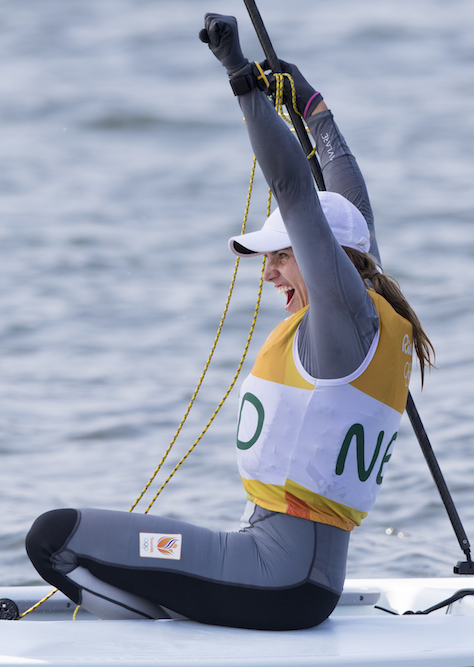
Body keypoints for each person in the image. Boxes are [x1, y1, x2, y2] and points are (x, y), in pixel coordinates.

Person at [25, 13, 433, 631]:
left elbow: (298, 190)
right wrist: (313, 108)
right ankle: (173, 619)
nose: (268, 273)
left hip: (278, 578)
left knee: (54, 538)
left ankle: (155, 639)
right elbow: (350, 205)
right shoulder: (365, 308)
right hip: (289, 575)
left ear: (329, 258)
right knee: (74, 537)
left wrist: (243, 81)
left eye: (281, 254)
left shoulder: (342, 318)